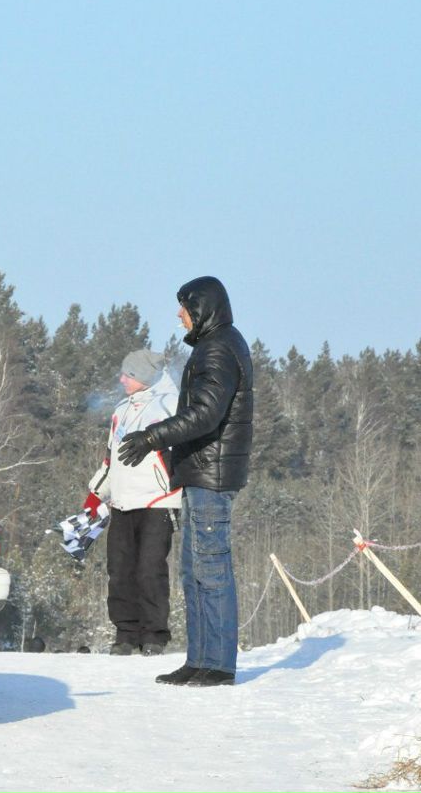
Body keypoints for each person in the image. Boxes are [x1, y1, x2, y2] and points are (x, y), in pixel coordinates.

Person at [117, 276, 253, 688]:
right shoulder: (214, 347)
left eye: (184, 307)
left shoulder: (219, 348)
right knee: (194, 571)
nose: (179, 315)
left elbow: (207, 414)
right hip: (199, 471)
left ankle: (218, 665)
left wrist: (150, 437)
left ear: (203, 308)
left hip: (211, 474)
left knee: (210, 570)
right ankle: (200, 660)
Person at [85, 349, 181, 657]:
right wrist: (95, 495)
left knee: (149, 569)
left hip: (157, 500)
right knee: (120, 569)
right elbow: (110, 459)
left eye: (128, 374)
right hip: (122, 502)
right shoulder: (120, 410)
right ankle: (125, 634)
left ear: (144, 376)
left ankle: (154, 635)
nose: (122, 379)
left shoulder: (170, 404)